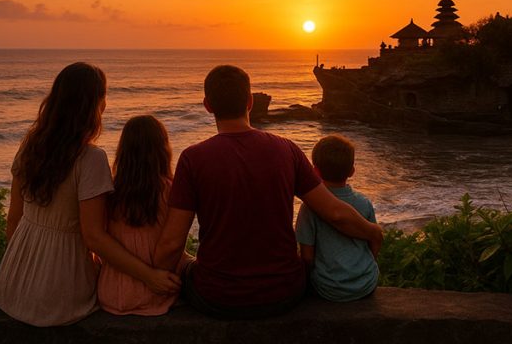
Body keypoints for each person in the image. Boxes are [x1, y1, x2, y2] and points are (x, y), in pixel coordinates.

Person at [152, 65, 383, 319]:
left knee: (188, 266)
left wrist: (149, 276)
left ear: (207, 105)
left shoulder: (192, 159)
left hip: (217, 295)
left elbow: (172, 244)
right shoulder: (287, 150)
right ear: (250, 102)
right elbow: (335, 213)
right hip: (284, 292)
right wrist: (373, 231)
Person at [0, 63, 179, 327]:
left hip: (12, 286)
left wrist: (23, 270)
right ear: (94, 105)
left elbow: (13, 219)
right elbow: (94, 237)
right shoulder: (90, 158)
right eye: (103, 96)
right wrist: (150, 277)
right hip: (60, 292)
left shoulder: (30, 146)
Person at [97, 115, 192, 316]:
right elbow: (172, 245)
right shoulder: (169, 190)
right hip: (155, 293)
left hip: (111, 292)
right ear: (163, 148)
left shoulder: (109, 192)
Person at [296, 135, 379, 301]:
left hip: (328, 288)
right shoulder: (364, 203)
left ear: (315, 171)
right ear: (352, 171)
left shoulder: (310, 208)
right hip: (366, 283)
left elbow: (307, 257)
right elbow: (373, 243)